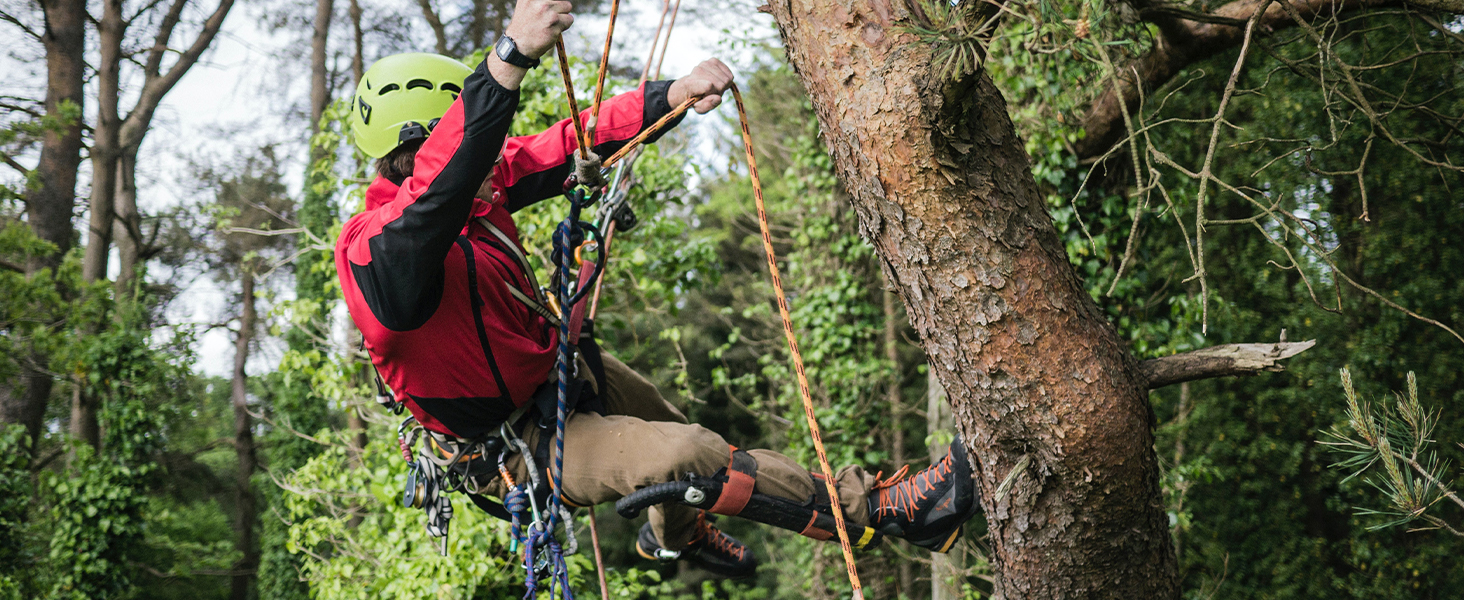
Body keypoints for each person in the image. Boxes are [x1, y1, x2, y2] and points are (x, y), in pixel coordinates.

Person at [335, 0, 977, 578]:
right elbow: (432, 202)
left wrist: (673, 94)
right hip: (514, 444)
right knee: (691, 455)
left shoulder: (482, 188)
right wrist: (509, 56)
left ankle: (677, 537)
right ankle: (891, 512)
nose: (500, 154)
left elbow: (566, 145)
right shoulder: (376, 253)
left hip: (554, 375)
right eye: (484, 144)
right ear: (425, 149)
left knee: (675, 430)